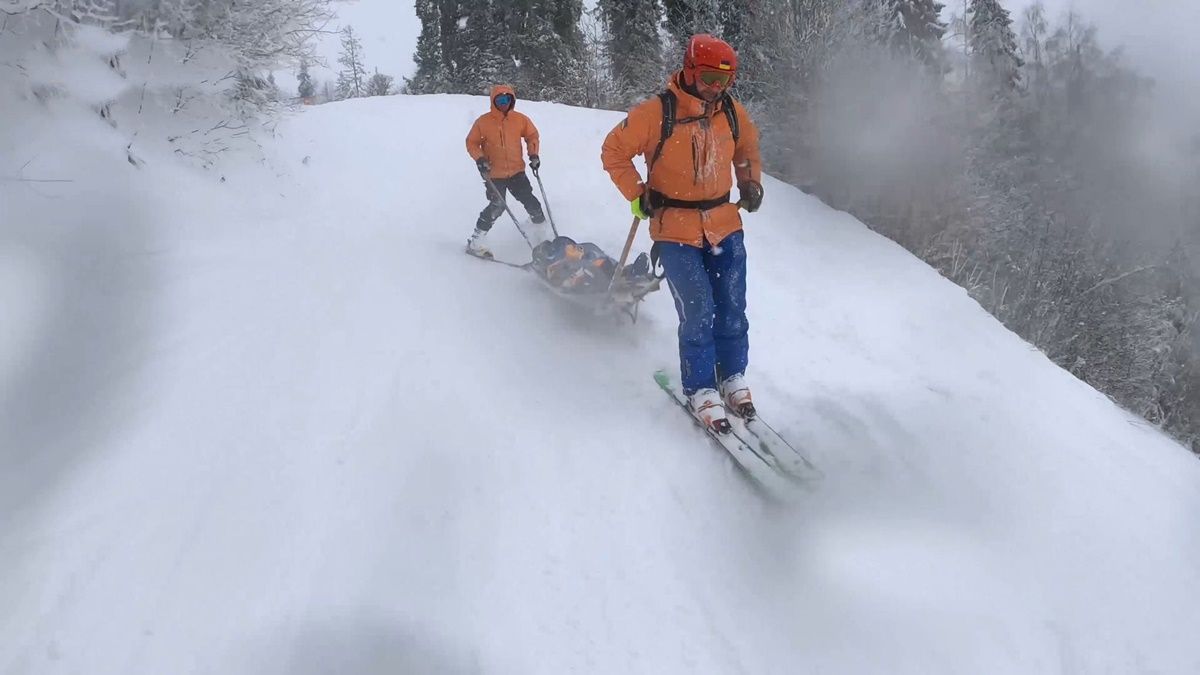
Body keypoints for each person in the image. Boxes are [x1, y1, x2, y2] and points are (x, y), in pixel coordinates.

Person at [601, 34, 765, 432]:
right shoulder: (656, 113)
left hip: (724, 225)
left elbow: (748, 149)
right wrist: (638, 194)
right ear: (690, 70)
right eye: (709, 77)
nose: (716, 88)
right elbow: (613, 151)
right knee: (698, 310)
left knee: (731, 306)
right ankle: (701, 388)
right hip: (674, 230)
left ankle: (732, 377)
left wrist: (750, 181)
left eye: (725, 81)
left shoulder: (730, 111)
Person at [464, 84, 545, 256]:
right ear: (493, 101)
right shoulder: (483, 122)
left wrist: (534, 155)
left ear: (512, 100)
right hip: (493, 174)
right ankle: (476, 241)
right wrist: (480, 158)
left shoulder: (520, 119)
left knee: (532, 202)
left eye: (507, 99)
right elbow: (471, 142)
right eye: (500, 100)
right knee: (497, 206)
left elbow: (532, 136)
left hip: (517, 171)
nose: (504, 103)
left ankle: (541, 236)